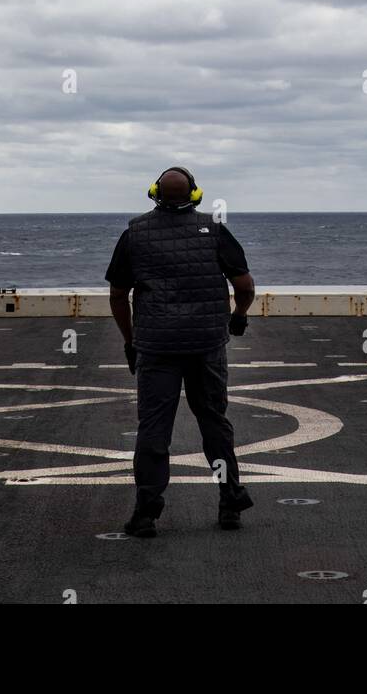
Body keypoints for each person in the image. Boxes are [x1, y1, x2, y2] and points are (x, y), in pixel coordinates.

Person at [105, 166, 256, 538]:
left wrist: (130, 340)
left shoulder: (134, 233)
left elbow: (117, 295)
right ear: (195, 194)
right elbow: (245, 284)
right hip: (206, 346)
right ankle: (230, 501)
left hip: (156, 348)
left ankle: (146, 513)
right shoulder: (214, 230)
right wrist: (238, 316)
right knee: (214, 423)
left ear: (154, 193)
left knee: (154, 429)